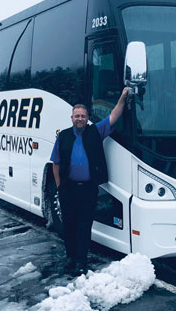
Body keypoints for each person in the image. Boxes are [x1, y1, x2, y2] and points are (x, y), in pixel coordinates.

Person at [50, 87, 130, 275]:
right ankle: (70, 258)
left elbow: (114, 116)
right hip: (68, 189)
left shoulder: (96, 131)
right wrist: (60, 186)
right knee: (69, 226)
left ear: (87, 118)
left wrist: (123, 97)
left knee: (84, 227)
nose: (80, 119)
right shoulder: (63, 136)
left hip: (88, 189)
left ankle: (82, 261)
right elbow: (55, 163)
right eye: (77, 116)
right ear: (72, 118)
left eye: (83, 116)